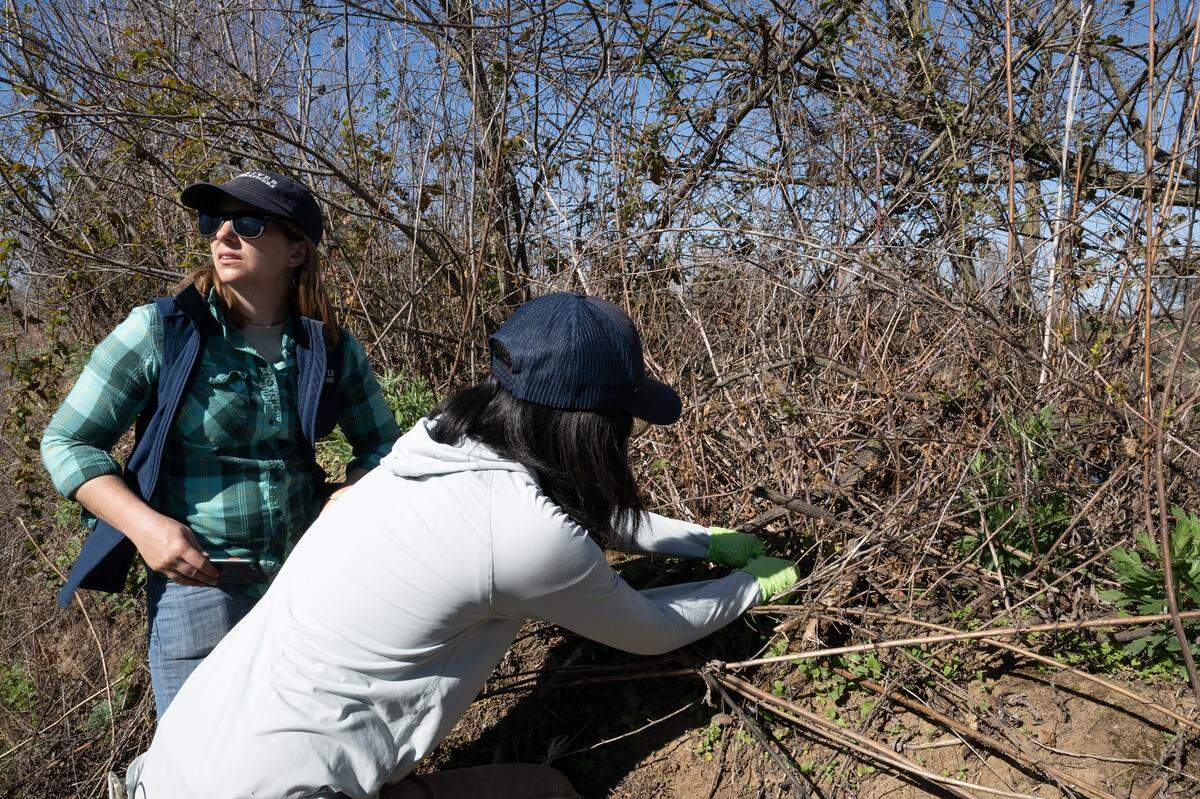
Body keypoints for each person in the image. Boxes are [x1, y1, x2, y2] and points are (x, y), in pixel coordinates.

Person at [130, 292, 798, 799]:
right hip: (282, 789)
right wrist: (751, 586)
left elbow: (569, 514)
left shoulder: (427, 453)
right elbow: (648, 626)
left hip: (175, 765)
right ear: (596, 428)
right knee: (547, 793)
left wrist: (706, 541)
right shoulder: (521, 534)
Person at [41, 169, 402, 719]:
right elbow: (68, 441)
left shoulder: (328, 348)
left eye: (250, 223)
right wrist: (146, 527)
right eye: (215, 220)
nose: (223, 235)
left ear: (297, 253)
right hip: (199, 589)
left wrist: (352, 492)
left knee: (304, 748)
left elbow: (384, 448)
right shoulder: (162, 331)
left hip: (306, 588)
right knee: (198, 764)